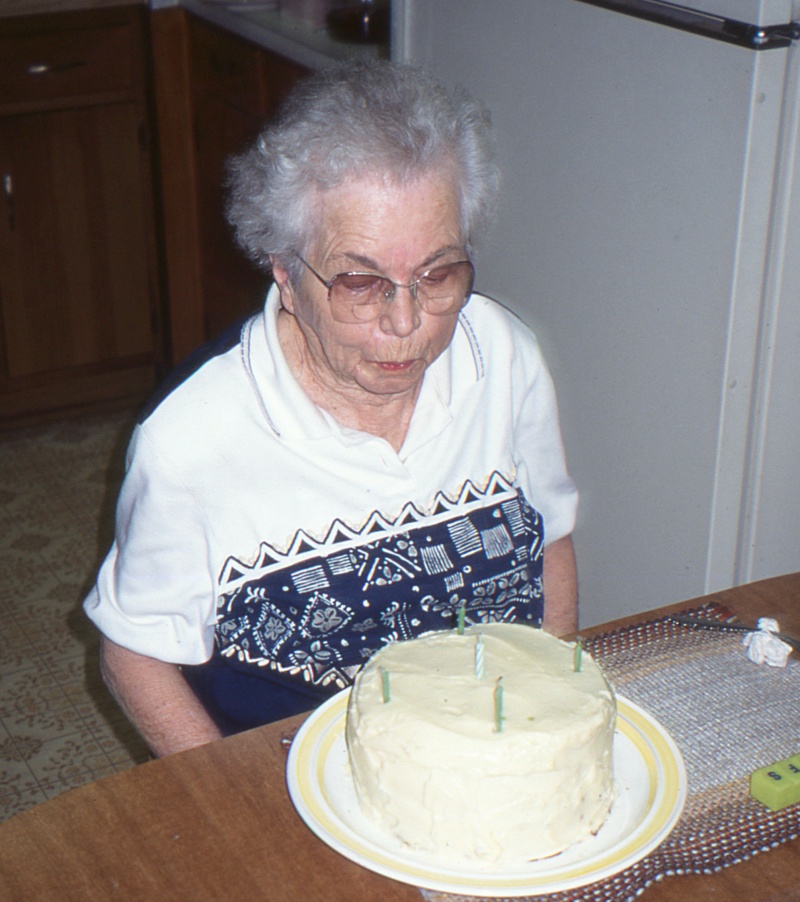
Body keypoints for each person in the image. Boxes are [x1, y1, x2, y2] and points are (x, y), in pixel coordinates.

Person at [84, 60, 579, 757]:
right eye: (360, 282)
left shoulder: (503, 355)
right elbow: (133, 655)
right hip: (296, 783)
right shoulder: (192, 439)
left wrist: (551, 711)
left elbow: (549, 536)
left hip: (486, 759)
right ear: (286, 274)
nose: (407, 322)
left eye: (437, 274)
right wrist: (243, 809)